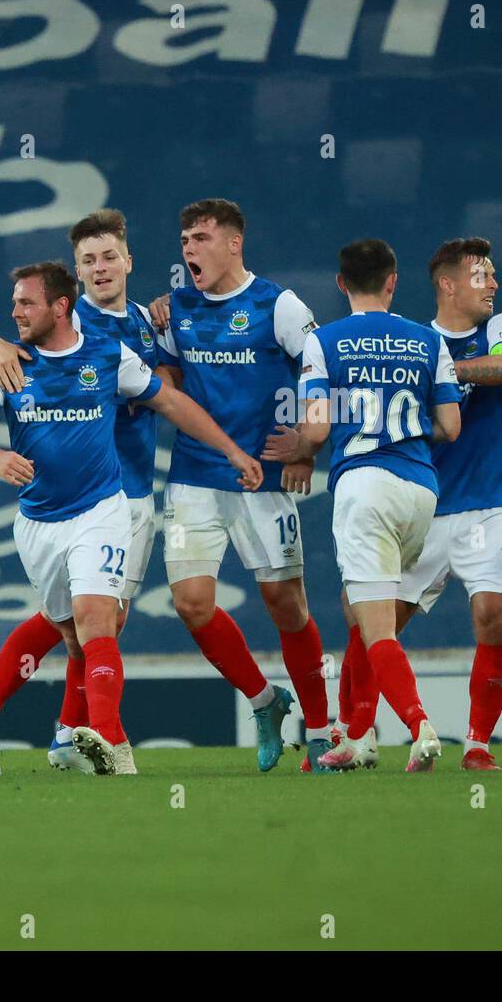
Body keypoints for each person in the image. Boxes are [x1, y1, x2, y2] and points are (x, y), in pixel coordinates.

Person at [0, 261, 262, 777]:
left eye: (26, 302)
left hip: (102, 509)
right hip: (38, 522)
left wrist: (231, 450)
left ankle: (109, 744)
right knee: (67, 631)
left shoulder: (106, 355)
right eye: (14, 303)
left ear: (59, 306)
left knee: (98, 617)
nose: (15, 312)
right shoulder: (9, 363)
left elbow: (171, 403)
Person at [146, 198, 331, 772]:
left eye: (200, 238)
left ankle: (323, 730)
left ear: (233, 243)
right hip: (193, 479)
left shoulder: (278, 305)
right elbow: (166, 379)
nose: (189, 250)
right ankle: (265, 701)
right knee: (192, 603)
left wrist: (308, 442)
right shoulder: (176, 308)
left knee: (286, 606)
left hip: (263, 480)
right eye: (184, 241)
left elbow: (318, 367)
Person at [264, 238, 462, 772]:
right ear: (393, 282)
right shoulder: (429, 341)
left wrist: (301, 446)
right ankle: (355, 736)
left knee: (375, 629)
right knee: (362, 615)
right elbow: (450, 425)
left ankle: (419, 727)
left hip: (364, 489)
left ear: (340, 283)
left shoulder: (324, 343)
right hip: (421, 491)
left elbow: (319, 427)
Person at [0, 210, 166, 773]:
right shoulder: (65, 326)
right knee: (91, 621)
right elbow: (13, 339)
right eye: (88, 260)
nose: (100, 267)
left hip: (135, 491)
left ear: (128, 261)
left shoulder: (150, 320)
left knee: (95, 623)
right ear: (76, 281)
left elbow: (172, 386)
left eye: (109, 256)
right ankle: (86, 736)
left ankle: (64, 732)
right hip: (95, 497)